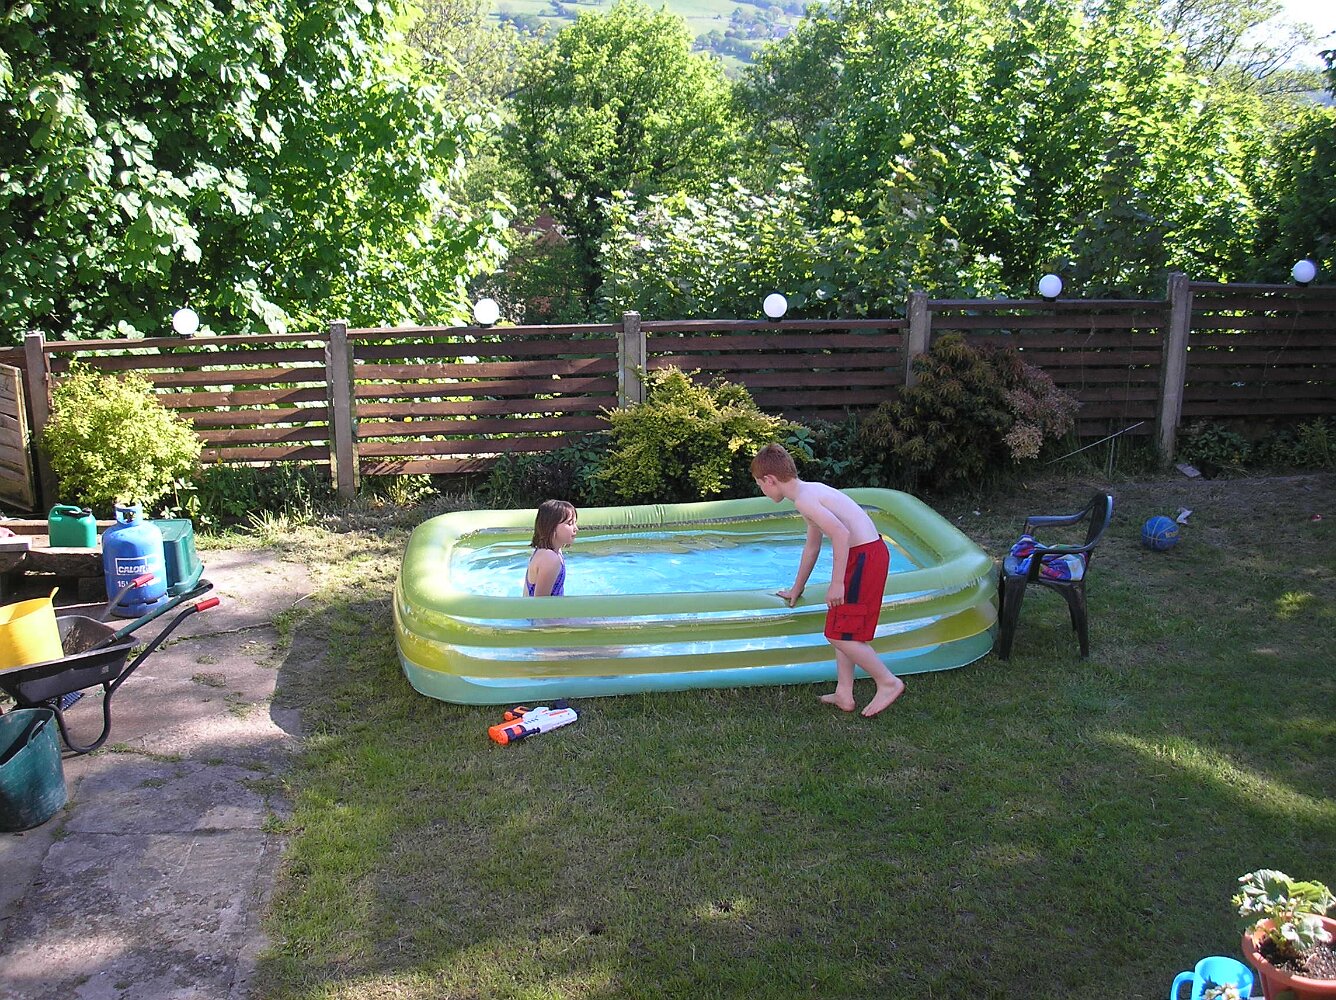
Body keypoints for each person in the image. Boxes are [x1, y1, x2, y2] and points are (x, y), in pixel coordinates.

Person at [751, 443, 905, 717]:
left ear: (770, 480)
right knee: (842, 626)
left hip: (864, 558)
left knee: (837, 634)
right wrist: (796, 589)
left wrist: (837, 584)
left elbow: (841, 534)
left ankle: (888, 682)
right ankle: (844, 693)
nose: (761, 490)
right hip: (865, 555)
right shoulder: (808, 492)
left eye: (759, 485)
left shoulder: (804, 500)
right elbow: (812, 547)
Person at [524, 499, 578, 597]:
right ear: (552, 527)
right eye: (570, 523)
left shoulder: (550, 552)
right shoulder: (549, 558)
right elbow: (541, 603)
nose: (576, 528)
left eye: (575, 523)